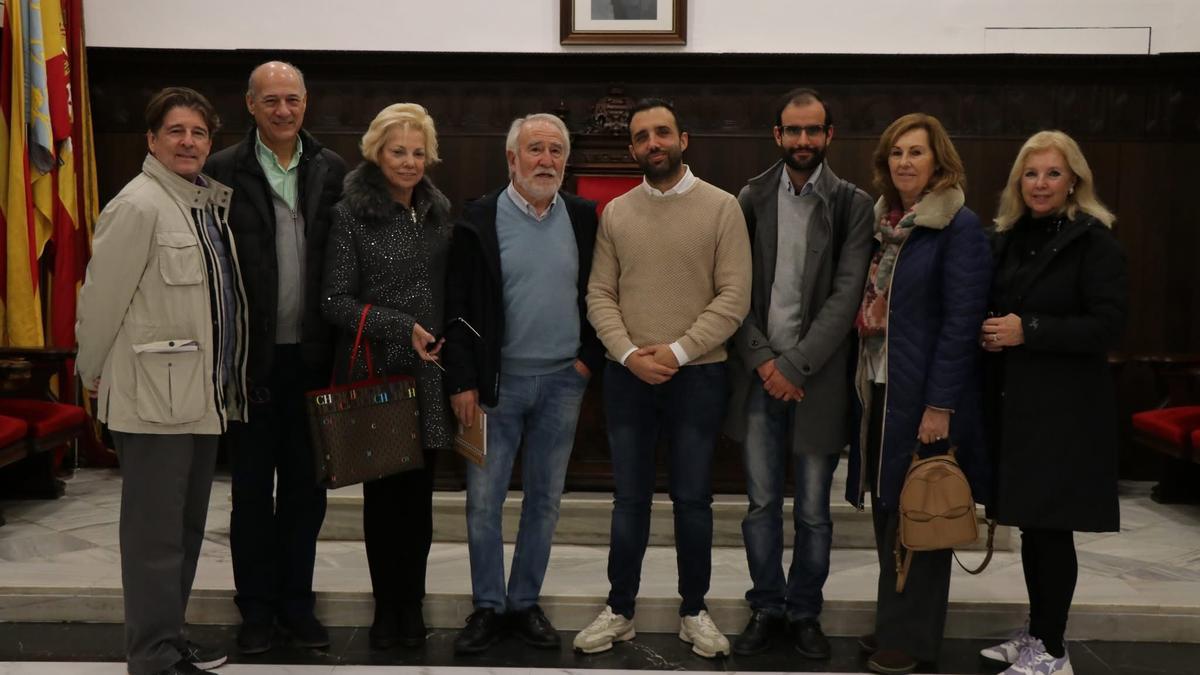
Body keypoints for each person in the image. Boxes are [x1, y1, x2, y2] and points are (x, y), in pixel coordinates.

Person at [76, 87, 246, 675]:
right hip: (151, 402)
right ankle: (151, 656)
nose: (188, 142)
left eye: (198, 133)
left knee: (186, 531)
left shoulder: (200, 205)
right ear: (151, 140)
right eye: (176, 131)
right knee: (154, 541)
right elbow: (100, 301)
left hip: (199, 398)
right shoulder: (139, 205)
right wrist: (91, 372)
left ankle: (168, 638)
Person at [577, 98, 751, 659]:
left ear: (684, 139)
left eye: (662, 133)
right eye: (642, 137)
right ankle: (620, 609)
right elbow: (599, 293)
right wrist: (629, 354)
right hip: (628, 378)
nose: (653, 143)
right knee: (629, 500)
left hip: (698, 376)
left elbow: (734, 297)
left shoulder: (723, 208)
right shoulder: (617, 213)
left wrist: (676, 351)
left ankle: (694, 610)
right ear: (632, 149)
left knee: (693, 501)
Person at [442, 113, 605, 654]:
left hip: (563, 383)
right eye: (535, 149)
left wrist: (586, 361)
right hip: (492, 389)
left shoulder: (584, 217)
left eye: (556, 150)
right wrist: (462, 379)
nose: (546, 160)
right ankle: (488, 606)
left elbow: (603, 292)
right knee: (482, 502)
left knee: (545, 501)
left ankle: (524, 602)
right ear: (511, 159)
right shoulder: (478, 219)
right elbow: (458, 308)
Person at [204, 60, 346, 654]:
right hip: (251, 363)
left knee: (306, 496)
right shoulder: (220, 170)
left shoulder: (333, 170)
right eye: (271, 101)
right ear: (250, 105)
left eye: (292, 99)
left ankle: (297, 605)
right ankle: (256, 610)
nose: (282, 110)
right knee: (251, 492)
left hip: (313, 361)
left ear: (306, 103)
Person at [842, 113, 992, 675]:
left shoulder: (958, 227)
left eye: (916, 153)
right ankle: (894, 622)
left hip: (926, 396)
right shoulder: (887, 224)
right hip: (882, 387)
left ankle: (914, 639)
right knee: (890, 514)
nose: (905, 162)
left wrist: (940, 405)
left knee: (923, 515)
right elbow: (880, 305)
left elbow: (960, 324)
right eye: (897, 153)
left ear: (939, 162)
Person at [726, 88, 874, 658]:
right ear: (777, 135)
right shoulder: (751, 197)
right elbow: (734, 289)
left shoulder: (851, 204)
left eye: (814, 131)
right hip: (760, 376)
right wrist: (764, 360)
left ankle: (805, 611)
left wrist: (794, 365)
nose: (804, 141)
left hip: (816, 379)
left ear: (829, 135)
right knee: (762, 504)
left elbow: (845, 296)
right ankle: (766, 607)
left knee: (813, 511)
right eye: (794, 130)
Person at [978, 131, 1127, 675]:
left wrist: (1029, 330)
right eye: (1031, 173)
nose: (1040, 184)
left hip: (1064, 413)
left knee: (1052, 529)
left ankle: (1055, 649)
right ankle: (1037, 631)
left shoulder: (1096, 242)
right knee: (1031, 527)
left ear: (1074, 182)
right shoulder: (1010, 238)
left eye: (1052, 174)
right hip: (1016, 407)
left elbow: (1107, 326)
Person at [320, 103, 454, 650]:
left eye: (419, 152)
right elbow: (334, 300)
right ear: (377, 152)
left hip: (430, 378)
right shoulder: (352, 214)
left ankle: (412, 605)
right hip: (379, 374)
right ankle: (386, 608)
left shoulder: (440, 211)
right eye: (399, 151)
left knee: (419, 503)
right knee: (384, 503)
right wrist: (404, 327)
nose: (409, 162)